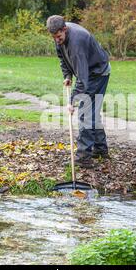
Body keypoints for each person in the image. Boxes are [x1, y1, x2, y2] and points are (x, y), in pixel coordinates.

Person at [47, 15, 111, 168]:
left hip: (98, 73)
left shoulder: (77, 43)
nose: (56, 40)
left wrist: (72, 101)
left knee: (86, 113)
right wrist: (67, 75)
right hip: (89, 72)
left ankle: (83, 157)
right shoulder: (59, 36)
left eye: (58, 36)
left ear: (65, 29)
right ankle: (101, 150)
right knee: (92, 112)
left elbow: (82, 79)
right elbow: (62, 58)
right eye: (54, 37)